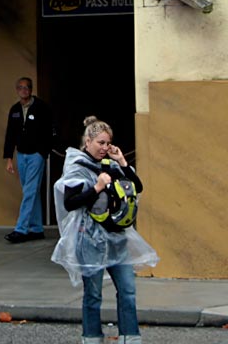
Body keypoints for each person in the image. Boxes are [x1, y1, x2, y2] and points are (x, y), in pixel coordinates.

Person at [52, 116, 157, 344]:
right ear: (87, 141)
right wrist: (97, 187)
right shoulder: (76, 166)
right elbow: (70, 202)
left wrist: (121, 162)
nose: (104, 148)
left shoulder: (110, 164)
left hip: (116, 239)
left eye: (107, 143)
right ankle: (91, 338)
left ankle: (130, 337)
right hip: (89, 240)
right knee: (93, 295)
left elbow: (137, 187)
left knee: (128, 290)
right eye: (100, 143)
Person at [2, 76, 54, 243]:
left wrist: (43, 152)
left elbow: (50, 130)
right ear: (17, 90)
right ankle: (37, 228)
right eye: (20, 87)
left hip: (36, 154)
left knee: (29, 191)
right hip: (21, 154)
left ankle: (21, 229)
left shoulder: (41, 107)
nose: (23, 90)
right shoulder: (15, 109)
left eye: (27, 87)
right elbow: (10, 134)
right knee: (31, 191)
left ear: (31, 90)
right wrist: (9, 158)